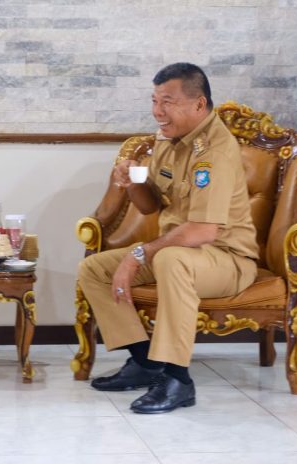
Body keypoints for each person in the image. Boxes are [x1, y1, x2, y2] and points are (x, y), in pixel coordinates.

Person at [77, 63, 259, 414]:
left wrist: (137, 256)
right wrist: (133, 185)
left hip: (227, 259)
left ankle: (178, 381)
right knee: (95, 269)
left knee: (169, 258)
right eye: (155, 100)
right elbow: (151, 208)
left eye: (168, 102)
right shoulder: (168, 140)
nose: (158, 111)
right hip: (179, 251)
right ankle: (146, 362)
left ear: (198, 104)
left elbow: (204, 231)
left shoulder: (214, 152)